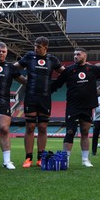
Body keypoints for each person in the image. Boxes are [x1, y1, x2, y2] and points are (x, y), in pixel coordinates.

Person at [51, 47, 100, 167]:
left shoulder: (92, 69)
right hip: (73, 106)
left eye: (78, 54)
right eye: (74, 55)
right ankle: (66, 160)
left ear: (85, 56)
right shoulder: (68, 70)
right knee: (70, 132)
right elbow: (57, 84)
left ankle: (85, 160)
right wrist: (46, 92)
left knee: (85, 132)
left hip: (87, 106)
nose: (75, 56)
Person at [15, 36, 64, 168]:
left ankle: (41, 158)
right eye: (35, 46)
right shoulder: (29, 57)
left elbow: (65, 73)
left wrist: (54, 86)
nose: (36, 48)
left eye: (39, 46)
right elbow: (13, 69)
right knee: (30, 127)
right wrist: (24, 82)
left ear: (45, 47)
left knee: (42, 128)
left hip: (45, 97)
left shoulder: (52, 59)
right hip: (30, 96)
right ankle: (28, 158)